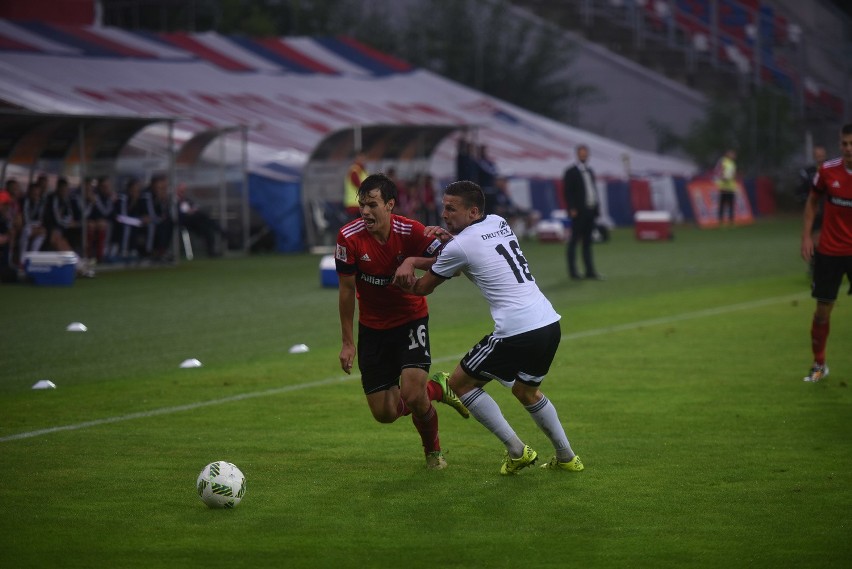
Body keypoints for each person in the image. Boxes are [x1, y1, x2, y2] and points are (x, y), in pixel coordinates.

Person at [394, 180, 583, 475]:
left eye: (451, 209)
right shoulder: (498, 221)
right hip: (547, 322)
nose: (444, 214)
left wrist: (405, 267)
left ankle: (517, 451)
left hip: (515, 330)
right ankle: (567, 456)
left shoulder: (460, 245)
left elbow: (422, 288)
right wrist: (445, 243)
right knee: (526, 392)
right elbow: (467, 254)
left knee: (458, 384)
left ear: (472, 212)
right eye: (443, 207)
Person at [335, 173, 469, 470]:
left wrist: (413, 261)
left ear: (390, 205)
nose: (366, 211)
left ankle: (433, 453)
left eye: (372, 204)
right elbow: (346, 291)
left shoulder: (411, 231)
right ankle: (438, 388)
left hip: (410, 320)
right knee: (385, 414)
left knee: (411, 394)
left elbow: (454, 265)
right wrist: (347, 343)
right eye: (362, 205)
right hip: (372, 328)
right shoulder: (348, 237)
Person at [800, 123, 852, 383]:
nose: (849, 149)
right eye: (845, 144)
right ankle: (819, 364)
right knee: (822, 311)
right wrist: (807, 236)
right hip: (830, 251)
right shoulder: (827, 171)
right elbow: (812, 201)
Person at [563, 144, 603, 280]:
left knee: (587, 242)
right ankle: (573, 272)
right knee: (574, 241)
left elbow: (593, 190)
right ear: (577, 155)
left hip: (590, 210)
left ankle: (590, 270)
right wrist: (572, 208)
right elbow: (568, 192)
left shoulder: (590, 171)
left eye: (585, 153)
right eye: (581, 153)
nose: (584, 156)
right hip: (579, 211)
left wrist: (597, 208)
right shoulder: (571, 172)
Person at [177, 184, 226, 257]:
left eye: (184, 191)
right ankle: (221, 231)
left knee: (208, 230)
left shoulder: (188, 200)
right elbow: (179, 214)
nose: (183, 193)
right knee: (202, 215)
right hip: (185, 223)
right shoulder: (175, 201)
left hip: (195, 223)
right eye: (181, 191)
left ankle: (211, 253)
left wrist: (192, 211)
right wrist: (190, 212)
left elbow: (195, 207)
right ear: (177, 191)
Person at [715, 148, 738, 227]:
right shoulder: (723, 161)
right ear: (727, 153)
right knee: (722, 203)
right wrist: (722, 178)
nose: (734, 155)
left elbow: (733, 174)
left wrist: (734, 176)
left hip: (731, 186)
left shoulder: (732, 163)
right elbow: (718, 171)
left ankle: (731, 221)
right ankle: (720, 221)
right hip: (724, 186)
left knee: (731, 204)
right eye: (732, 153)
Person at [343, 151, 369, 218]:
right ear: (356, 158)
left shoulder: (362, 170)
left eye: (364, 158)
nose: (363, 160)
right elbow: (359, 185)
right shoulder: (355, 170)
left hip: (359, 204)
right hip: (355, 204)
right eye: (361, 158)